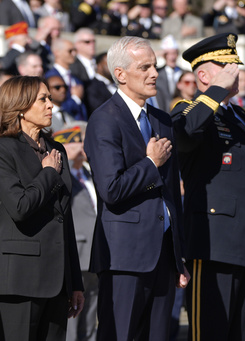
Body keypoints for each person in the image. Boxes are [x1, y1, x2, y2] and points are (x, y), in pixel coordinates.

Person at [83, 36, 189, 341]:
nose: (154, 73)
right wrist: (150, 164)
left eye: (154, 65)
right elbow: (111, 189)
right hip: (124, 257)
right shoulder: (104, 119)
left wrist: (177, 255)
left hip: (163, 256)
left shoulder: (161, 119)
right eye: (145, 67)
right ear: (121, 74)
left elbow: (171, 194)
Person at [171, 33, 245, 341]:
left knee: (244, 333)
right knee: (210, 332)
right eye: (227, 66)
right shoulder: (188, 109)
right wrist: (215, 91)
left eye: (235, 65)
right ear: (203, 75)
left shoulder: (241, 117)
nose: (235, 72)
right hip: (213, 243)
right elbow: (184, 136)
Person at [0, 76, 84, 340]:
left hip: (58, 280)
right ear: (19, 107)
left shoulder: (57, 149)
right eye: (43, 99)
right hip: (20, 278)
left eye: (50, 98)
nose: (50, 105)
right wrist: (49, 173)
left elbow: (65, 218)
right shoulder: (1, 149)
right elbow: (19, 206)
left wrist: (74, 282)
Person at [53, 123, 99, 341]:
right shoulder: (66, 173)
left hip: (94, 251)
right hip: (77, 250)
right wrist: (67, 157)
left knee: (91, 312)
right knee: (72, 314)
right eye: (79, 141)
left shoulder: (89, 174)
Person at [84, 52, 116, 116]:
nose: (113, 67)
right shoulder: (91, 86)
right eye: (108, 64)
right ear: (99, 66)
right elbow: (98, 109)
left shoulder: (118, 84)